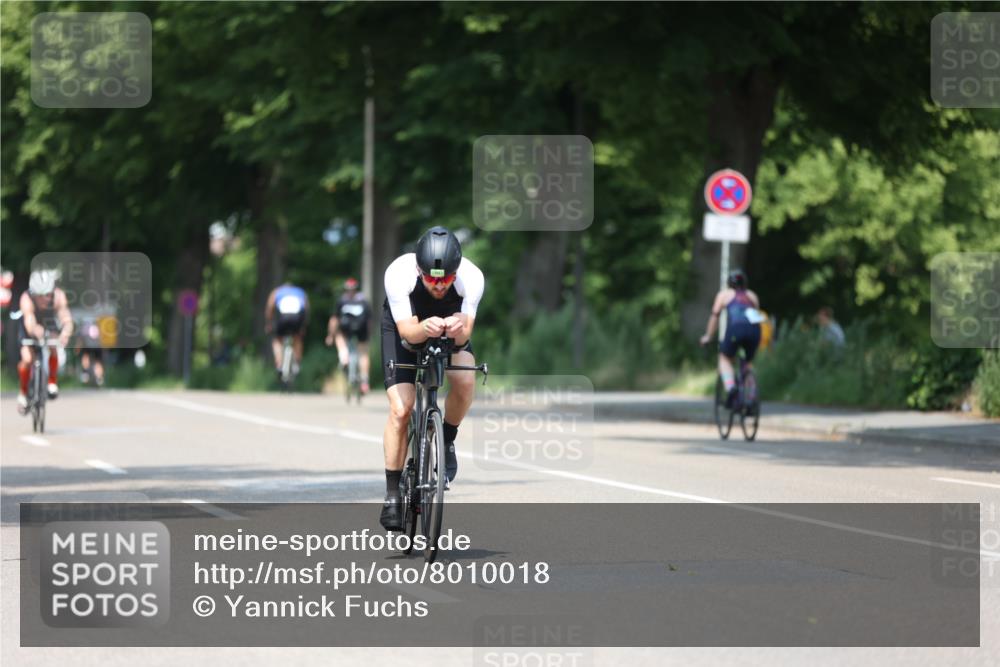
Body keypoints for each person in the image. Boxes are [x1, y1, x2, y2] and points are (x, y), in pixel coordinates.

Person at [379, 226, 484, 531]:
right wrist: (425, 327)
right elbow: (407, 333)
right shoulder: (398, 274)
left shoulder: (471, 278)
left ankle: (447, 440)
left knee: (464, 382)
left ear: (456, 273)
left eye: (446, 279)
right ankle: (392, 495)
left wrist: (454, 326)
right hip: (407, 326)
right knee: (401, 409)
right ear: (418, 270)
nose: (439, 286)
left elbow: (466, 332)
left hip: (449, 326)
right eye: (431, 279)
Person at [699, 269, 764, 408]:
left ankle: (731, 388)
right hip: (755, 331)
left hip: (736, 330)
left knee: (724, 358)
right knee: (748, 363)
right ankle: (751, 398)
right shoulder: (752, 295)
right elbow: (756, 315)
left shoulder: (724, 295)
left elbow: (714, 316)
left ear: (729, 283)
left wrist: (708, 336)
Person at [17, 270, 74, 412]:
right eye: (40, 296)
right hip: (30, 325)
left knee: (53, 346)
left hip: (48, 323)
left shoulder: (59, 296)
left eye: (47, 294)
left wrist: (65, 334)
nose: (44, 299)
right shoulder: (26, 298)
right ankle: (23, 393)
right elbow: (29, 322)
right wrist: (37, 331)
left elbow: (66, 318)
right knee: (27, 358)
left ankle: (52, 382)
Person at [326, 277, 372, 394]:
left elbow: (334, 319)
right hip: (361, 329)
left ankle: (344, 357)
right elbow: (368, 320)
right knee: (363, 353)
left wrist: (330, 335)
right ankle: (365, 380)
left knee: (339, 336)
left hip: (346, 329)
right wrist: (368, 335)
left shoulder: (342, 301)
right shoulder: (364, 301)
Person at [264, 282, 309, 380]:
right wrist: (303, 326)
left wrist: (268, 323)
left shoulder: (277, 292)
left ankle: (279, 365)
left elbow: (270, 308)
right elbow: (306, 309)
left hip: (283, 318)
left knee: (277, 340)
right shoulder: (300, 292)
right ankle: (297, 363)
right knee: (297, 338)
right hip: (297, 318)